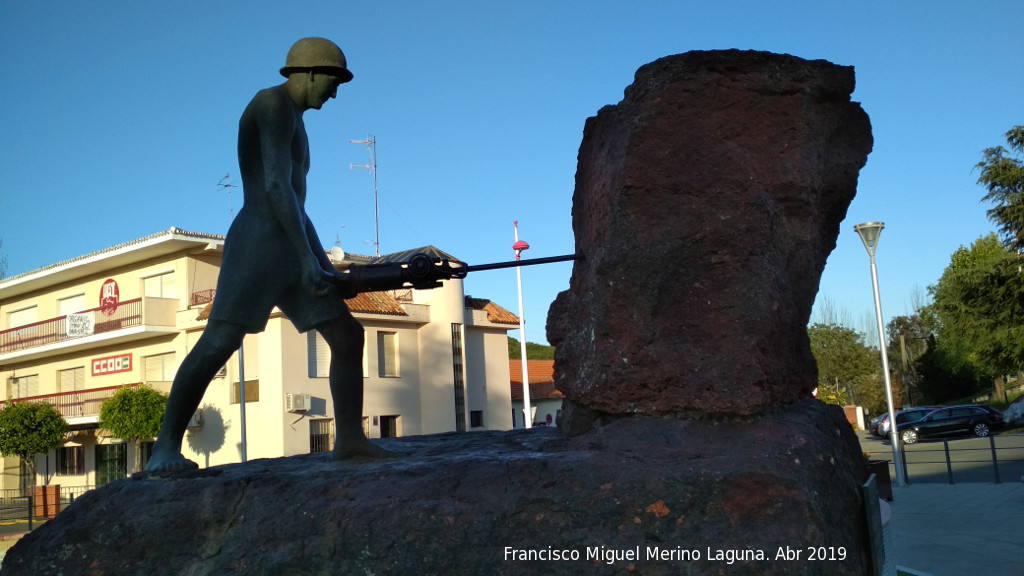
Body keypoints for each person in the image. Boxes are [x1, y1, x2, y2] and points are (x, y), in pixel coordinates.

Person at [145, 37, 392, 472]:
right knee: (219, 342)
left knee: (348, 336)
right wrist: (306, 261)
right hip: (259, 243)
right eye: (333, 82)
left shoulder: (296, 118)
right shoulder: (271, 104)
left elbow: (297, 202)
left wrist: (323, 265)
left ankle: (350, 438)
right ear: (311, 72)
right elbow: (276, 188)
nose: (334, 93)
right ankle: (164, 447)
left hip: (289, 240)